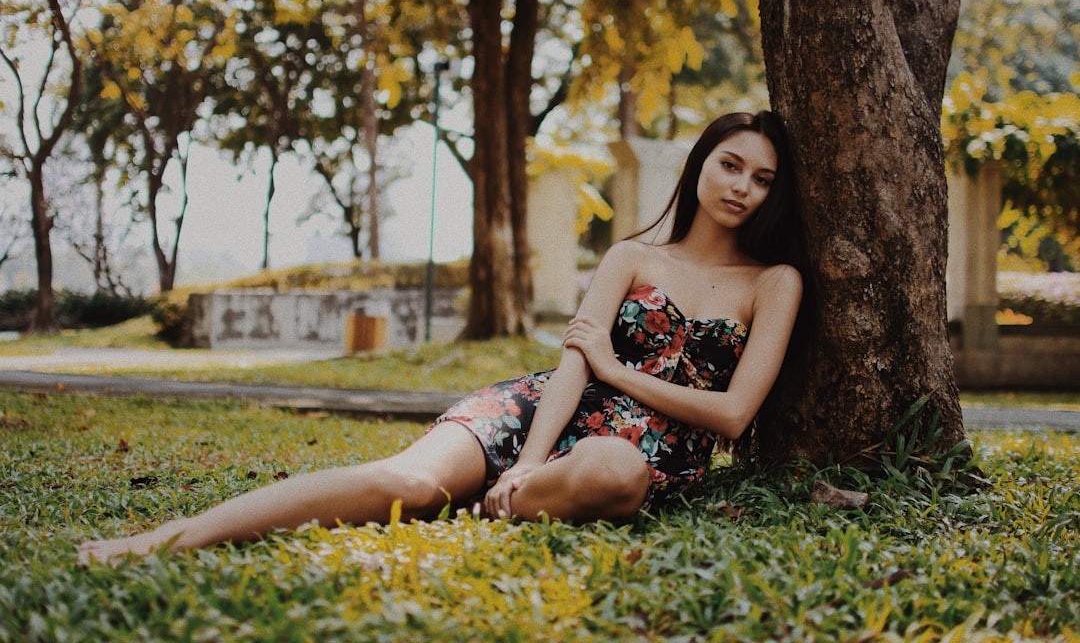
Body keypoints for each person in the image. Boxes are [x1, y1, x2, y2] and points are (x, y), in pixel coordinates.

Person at [78, 110, 803, 566]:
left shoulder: (773, 283)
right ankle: (163, 540)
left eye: (762, 179)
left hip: (638, 451)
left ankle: (509, 502)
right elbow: (575, 365)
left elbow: (735, 415)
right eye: (730, 165)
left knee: (614, 473)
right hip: (538, 413)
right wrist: (529, 456)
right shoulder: (634, 256)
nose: (741, 187)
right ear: (700, 165)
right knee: (408, 484)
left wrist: (621, 368)